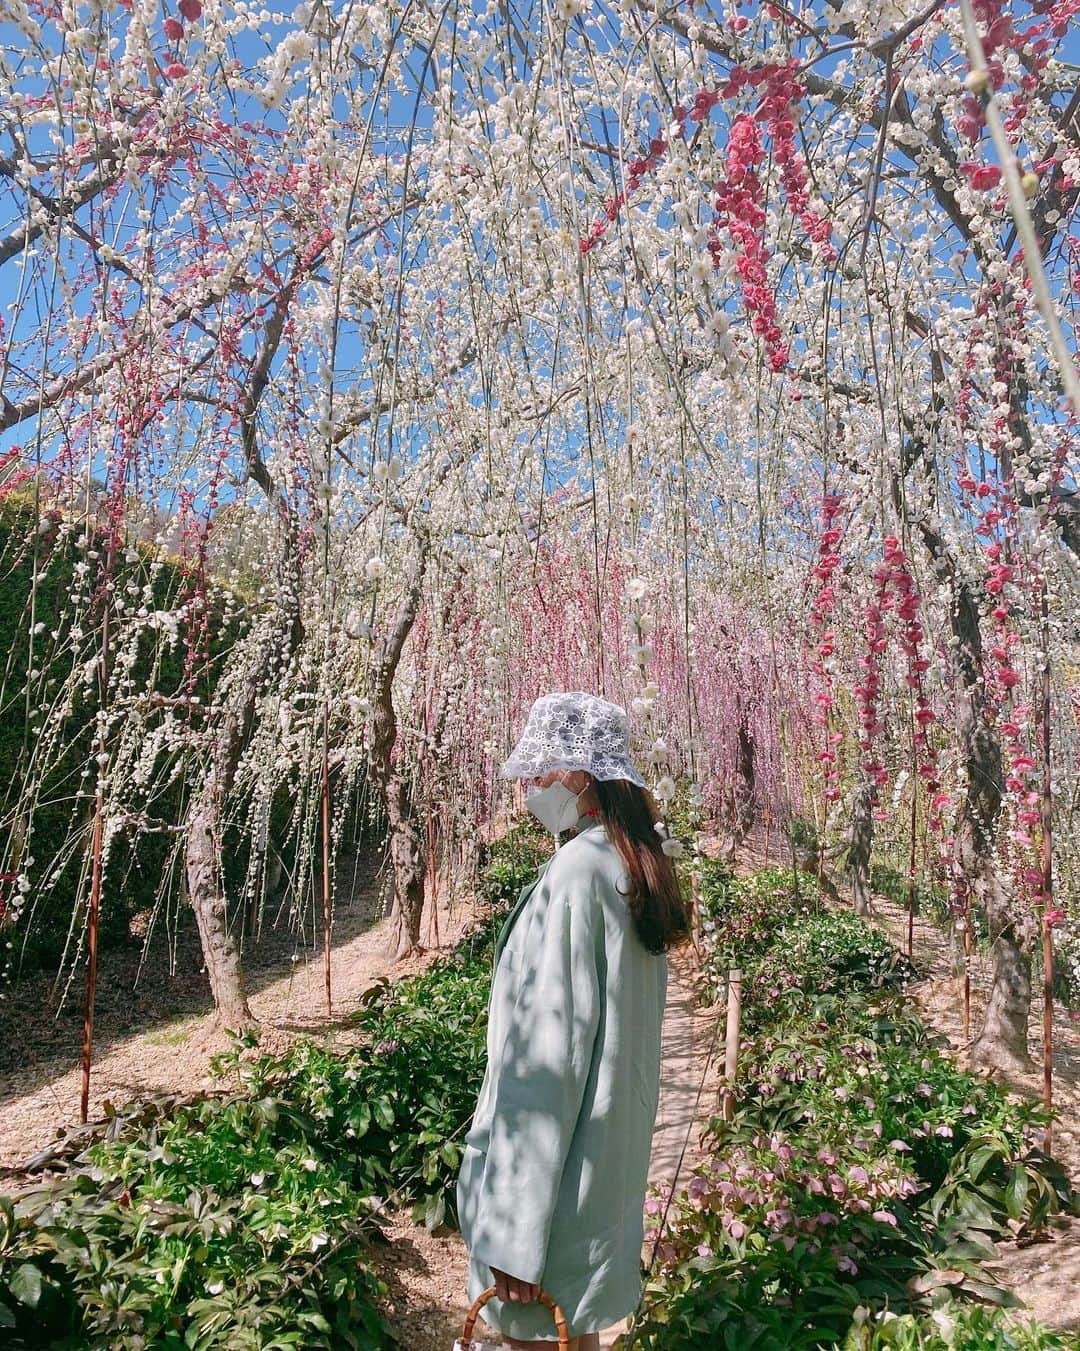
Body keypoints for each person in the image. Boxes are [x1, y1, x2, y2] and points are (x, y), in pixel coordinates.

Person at [457, 691, 689, 1350]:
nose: (531, 783)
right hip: (594, 1186)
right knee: (574, 1338)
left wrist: (514, 1230)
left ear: (582, 774)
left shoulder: (578, 873)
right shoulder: (625, 867)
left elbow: (547, 1060)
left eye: (543, 767)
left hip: (550, 1204)